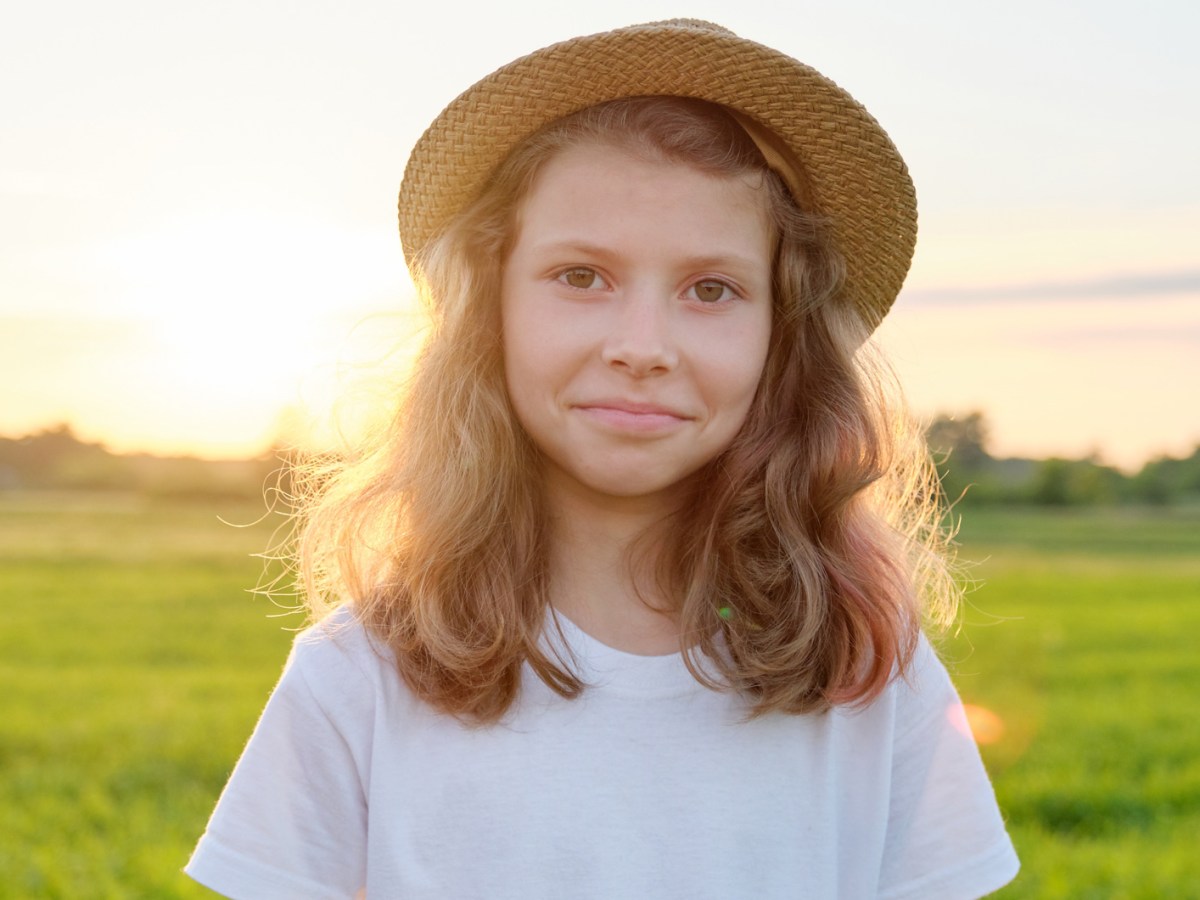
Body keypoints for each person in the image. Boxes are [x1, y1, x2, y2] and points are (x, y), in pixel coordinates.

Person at [186, 19, 1018, 899]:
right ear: (489, 311)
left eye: (711, 289)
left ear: (782, 339)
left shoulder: (867, 672)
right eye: (581, 276)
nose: (642, 346)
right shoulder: (359, 676)